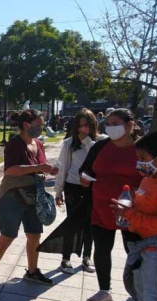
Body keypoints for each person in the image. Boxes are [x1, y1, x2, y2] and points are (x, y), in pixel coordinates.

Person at [0, 109, 59, 286]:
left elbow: (39, 167)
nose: (41, 127)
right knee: (8, 236)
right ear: (26, 125)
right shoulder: (14, 145)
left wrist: (49, 170)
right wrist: (38, 167)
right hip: (13, 197)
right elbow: (10, 170)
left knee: (34, 235)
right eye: (38, 124)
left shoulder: (38, 144)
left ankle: (32, 271)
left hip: (34, 196)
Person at [79, 108, 142, 301]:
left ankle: (139, 289)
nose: (111, 128)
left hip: (133, 210)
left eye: (116, 123)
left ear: (130, 125)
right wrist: (85, 178)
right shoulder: (101, 146)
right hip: (102, 207)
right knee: (102, 248)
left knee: (134, 251)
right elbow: (86, 168)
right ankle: (104, 290)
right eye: (108, 124)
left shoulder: (142, 148)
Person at [113, 132, 157, 301]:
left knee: (153, 299)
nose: (139, 163)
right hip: (141, 245)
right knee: (142, 293)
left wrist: (131, 215)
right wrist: (129, 208)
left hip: (156, 249)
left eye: (143, 158)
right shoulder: (148, 178)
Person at [54, 109, 104, 274]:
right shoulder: (69, 143)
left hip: (92, 187)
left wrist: (88, 142)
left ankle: (86, 256)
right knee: (72, 223)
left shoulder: (101, 142)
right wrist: (58, 191)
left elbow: (100, 159)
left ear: (93, 125)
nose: (82, 130)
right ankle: (66, 257)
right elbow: (62, 168)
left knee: (90, 225)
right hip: (73, 187)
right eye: (80, 126)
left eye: (86, 126)